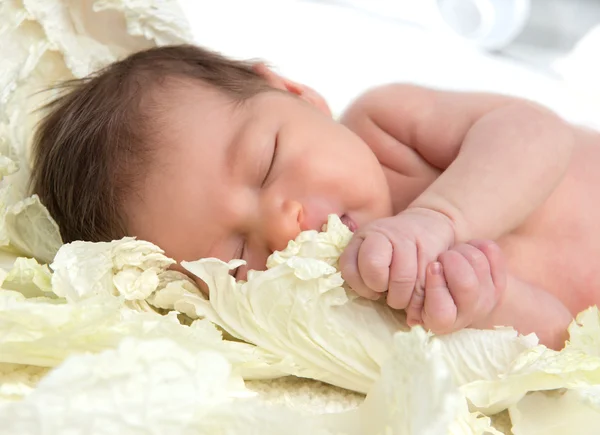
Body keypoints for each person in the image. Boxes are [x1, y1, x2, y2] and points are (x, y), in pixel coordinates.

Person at [31, 45, 600, 350]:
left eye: (266, 164)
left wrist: (438, 218)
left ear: (294, 94)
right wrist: (480, 306)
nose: (283, 226)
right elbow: (566, 340)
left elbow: (535, 132)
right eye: (237, 251)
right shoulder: (365, 309)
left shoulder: (389, 127)